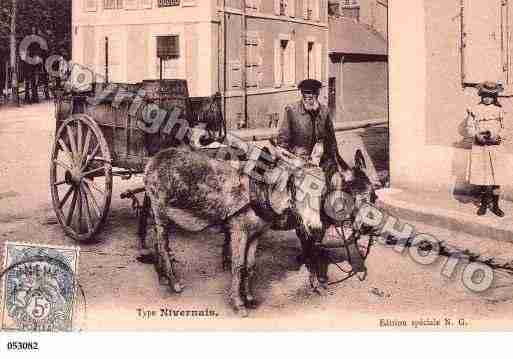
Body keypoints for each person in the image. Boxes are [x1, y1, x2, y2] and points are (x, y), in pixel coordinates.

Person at [276, 79, 365, 286]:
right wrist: (294, 158)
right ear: (301, 94)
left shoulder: (324, 112)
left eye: (313, 94)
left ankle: (334, 221)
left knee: (339, 185)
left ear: (318, 95)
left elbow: (332, 142)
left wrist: (339, 166)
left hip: (323, 162)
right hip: (298, 164)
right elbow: (282, 141)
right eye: (305, 94)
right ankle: (308, 242)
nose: (309, 97)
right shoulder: (291, 110)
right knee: (305, 197)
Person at [466, 81, 508, 217]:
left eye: (490, 96)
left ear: (495, 97)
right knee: (483, 177)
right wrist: (477, 135)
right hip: (481, 147)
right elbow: (469, 127)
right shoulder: (475, 109)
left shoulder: (500, 110)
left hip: (496, 147)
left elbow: (506, 129)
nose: (487, 98)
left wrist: (497, 136)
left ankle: (495, 205)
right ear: (480, 96)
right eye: (484, 95)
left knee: (497, 178)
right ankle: (484, 204)